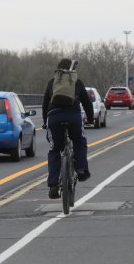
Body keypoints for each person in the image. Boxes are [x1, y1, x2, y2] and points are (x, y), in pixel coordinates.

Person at [42, 58, 94, 199]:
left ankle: (53, 185)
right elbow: (87, 103)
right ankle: (82, 169)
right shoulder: (77, 82)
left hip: (54, 117)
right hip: (73, 118)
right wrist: (90, 119)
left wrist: (44, 122)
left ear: (58, 70)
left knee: (54, 149)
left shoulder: (52, 82)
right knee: (79, 140)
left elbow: (45, 104)